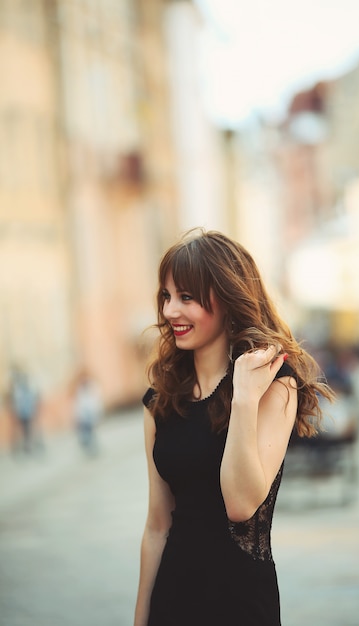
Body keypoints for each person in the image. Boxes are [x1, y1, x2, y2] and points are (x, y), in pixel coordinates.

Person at [133, 229, 334, 626]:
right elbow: (157, 525)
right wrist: (141, 620)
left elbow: (241, 505)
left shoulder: (276, 385)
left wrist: (243, 396)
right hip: (172, 600)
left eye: (186, 297)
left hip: (241, 604)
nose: (171, 311)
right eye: (167, 296)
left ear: (226, 299)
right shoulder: (160, 401)